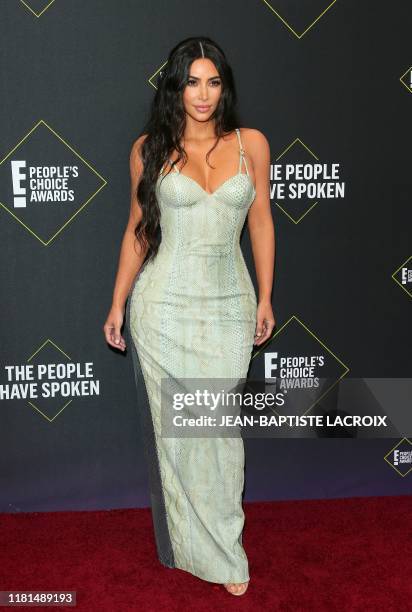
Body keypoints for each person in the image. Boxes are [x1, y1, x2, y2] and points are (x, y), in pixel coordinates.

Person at [103, 36, 275, 597]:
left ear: (225, 87)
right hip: (163, 308)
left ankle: (225, 546)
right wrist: (117, 302)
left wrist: (267, 298)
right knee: (178, 433)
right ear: (174, 87)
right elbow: (139, 228)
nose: (202, 94)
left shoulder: (251, 144)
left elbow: (261, 225)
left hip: (229, 306)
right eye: (191, 82)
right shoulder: (149, 148)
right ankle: (197, 550)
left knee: (218, 432)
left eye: (213, 81)